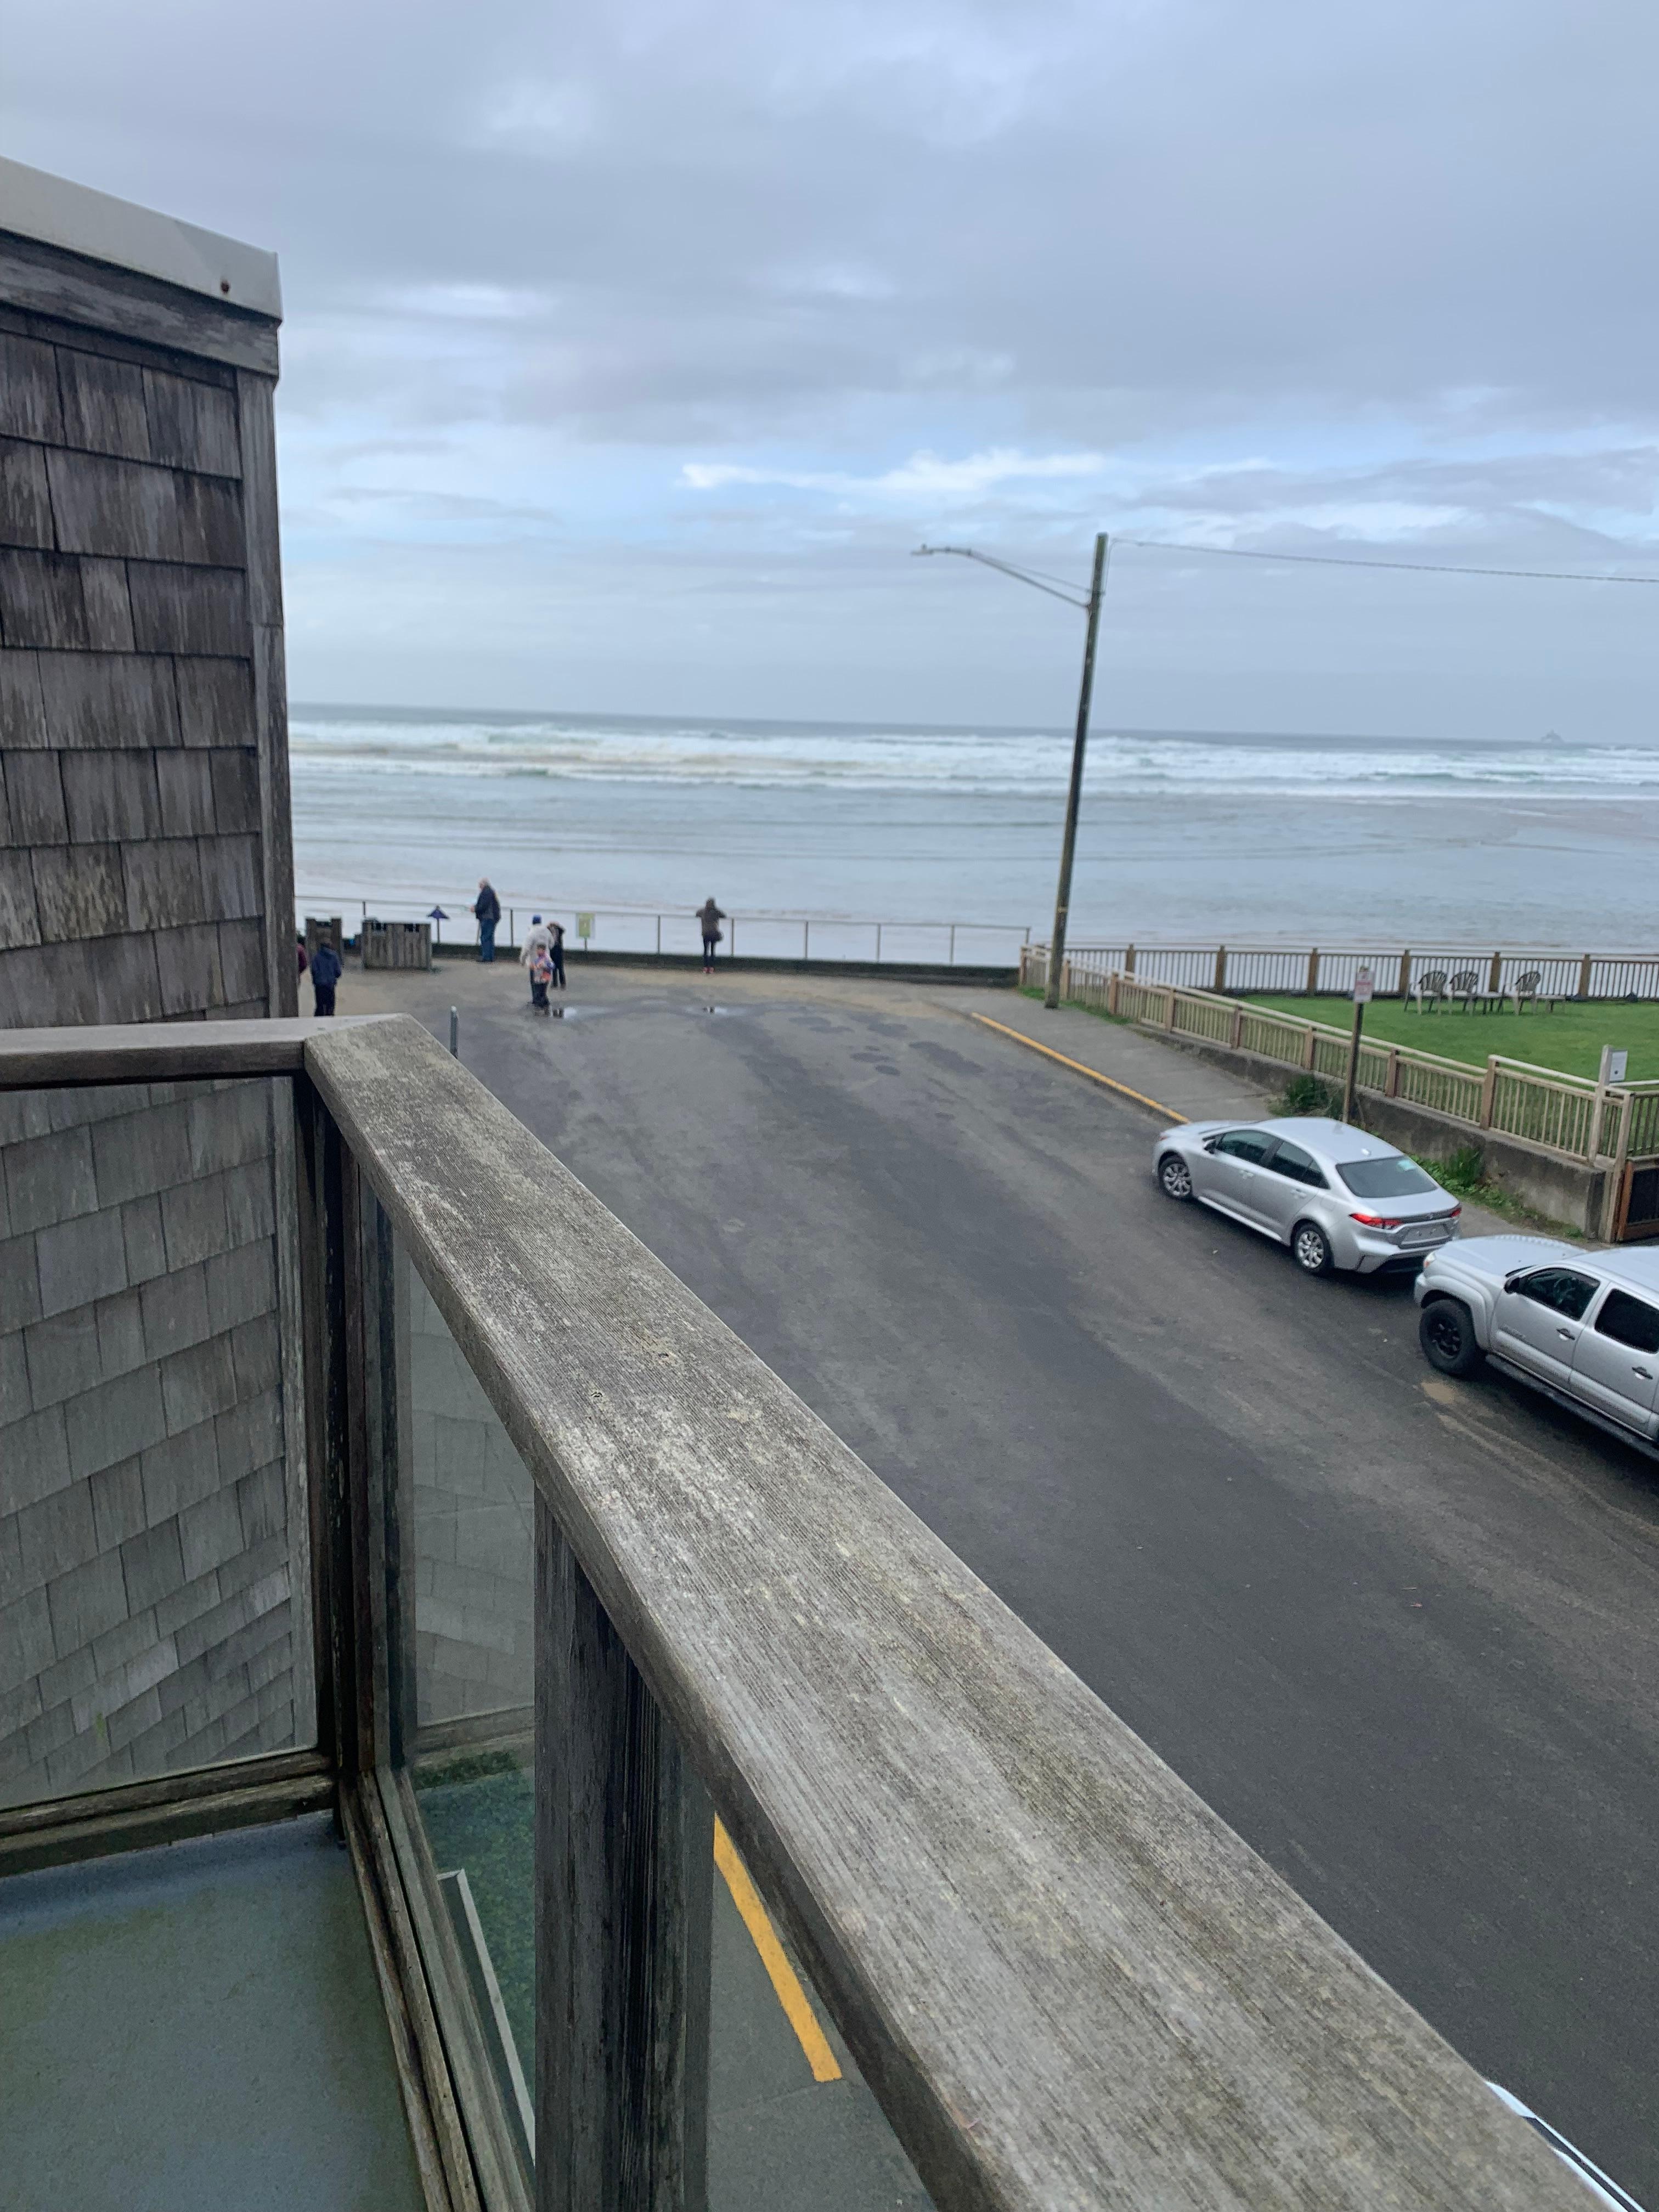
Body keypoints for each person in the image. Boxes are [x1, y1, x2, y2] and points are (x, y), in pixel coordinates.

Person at [520, 915, 554, 1009]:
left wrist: (522, 960)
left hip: (535, 962)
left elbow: (526, 949)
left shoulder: (532, 933)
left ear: (533, 922)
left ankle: (537, 1001)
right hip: (547, 961)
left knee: (535, 982)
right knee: (544, 981)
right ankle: (544, 998)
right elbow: (552, 943)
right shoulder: (547, 932)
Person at [309, 935, 342, 1017]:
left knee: (320, 1006)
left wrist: (317, 978)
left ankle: (318, 1023)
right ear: (330, 946)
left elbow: (313, 970)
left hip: (319, 985)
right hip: (330, 985)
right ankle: (330, 1023)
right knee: (330, 1007)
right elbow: (338, 973)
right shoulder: (334, 957)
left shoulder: (316, 957)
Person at [473, 878, 501, 962]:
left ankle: (486, 957)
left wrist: (475, 909)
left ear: (483, 885)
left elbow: (483, 906)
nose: (479, 887)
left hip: (488, 917)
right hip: (493, 918)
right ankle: (490, 957)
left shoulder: (486, 892)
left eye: (480, 885)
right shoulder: (491, 892)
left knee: (485, 937)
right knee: (490, 937)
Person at [697, 896, 726, 973]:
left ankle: (705, 967)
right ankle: (712, 967)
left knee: (706, 951)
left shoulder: (702, 911)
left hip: (705, 933)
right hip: (714, 933)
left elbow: (697, 914)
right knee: (713, 951)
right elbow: (724, 916)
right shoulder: (716, 912)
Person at [529, 943, 554, 1013]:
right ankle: (544, 1003)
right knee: (540, 991)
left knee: (541, 991)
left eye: (539, 950)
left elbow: (552, 966)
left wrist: (545, 966)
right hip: (538, 977)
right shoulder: (538, 958)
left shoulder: (546, 958)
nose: (537, 951)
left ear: (543, 951)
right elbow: (535, 966)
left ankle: (541, 1005)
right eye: (537, 950)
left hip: (544, 977)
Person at [548, 916, 566, 991]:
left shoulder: (559, 930)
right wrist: (548, 925)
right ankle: (555, 983)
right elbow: (545, 930)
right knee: (553, 968)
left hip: (559, 949)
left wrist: (557, 925)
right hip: (552, 949)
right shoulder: (548, 931)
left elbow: (563, 930)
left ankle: (563, 983)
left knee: (561, 968)